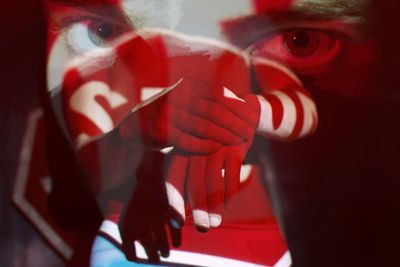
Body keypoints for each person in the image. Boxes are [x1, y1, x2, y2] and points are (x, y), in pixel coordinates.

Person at [43, 1, 398, 267]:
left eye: (298, 40)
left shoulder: (269, 79)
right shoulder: (113, 70)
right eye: (106, 30)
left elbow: (298, 112)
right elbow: (81, 188)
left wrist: (249, 112)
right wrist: (135, 130)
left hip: (246, 250)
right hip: (130, 243)